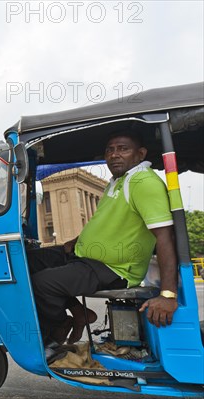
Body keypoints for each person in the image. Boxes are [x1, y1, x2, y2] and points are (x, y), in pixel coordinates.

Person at [30, 131, 178, 347]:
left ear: (140, 154)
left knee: (42, 284)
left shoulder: (143, 183)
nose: (114, 155)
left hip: (113, 268)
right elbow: (106, 222)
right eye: (110, 150)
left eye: (123, 149)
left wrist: (168, 295)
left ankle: (59, 325)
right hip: (84, 256)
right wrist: (77, 240)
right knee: (23, 263)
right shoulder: (116, 182)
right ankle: (79, 313)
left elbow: (165, 237)